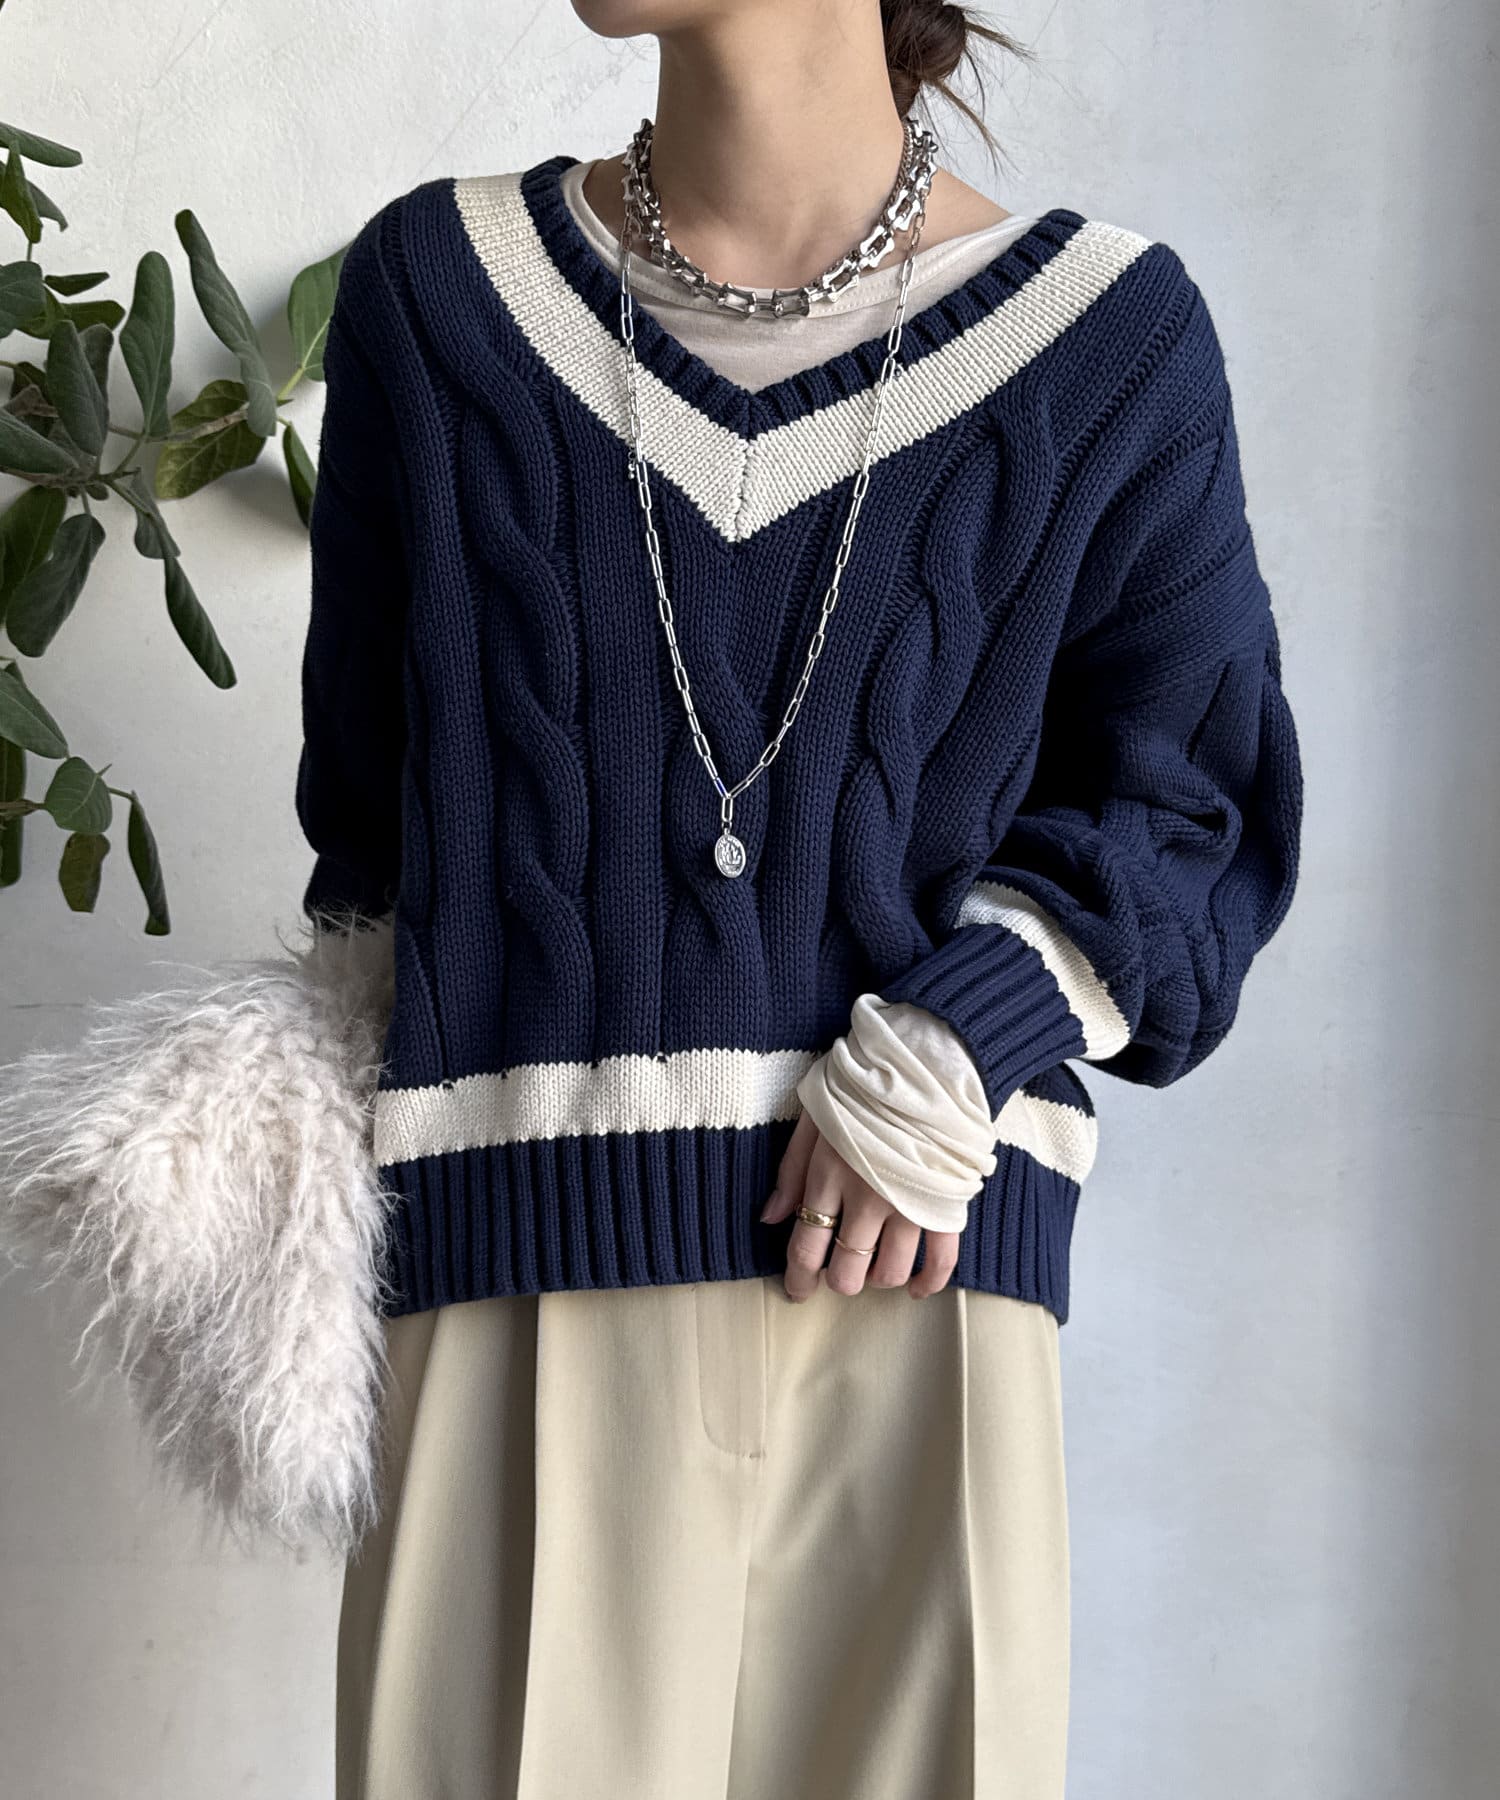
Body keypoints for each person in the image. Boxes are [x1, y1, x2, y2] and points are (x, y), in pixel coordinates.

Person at [313, 3, 1305, 1796]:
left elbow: (1198, 809)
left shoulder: (1109, 338)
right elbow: (371, 845)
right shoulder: (439, 297)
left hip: (923, 1285)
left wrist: (965, 1034)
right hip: (510, 1293)